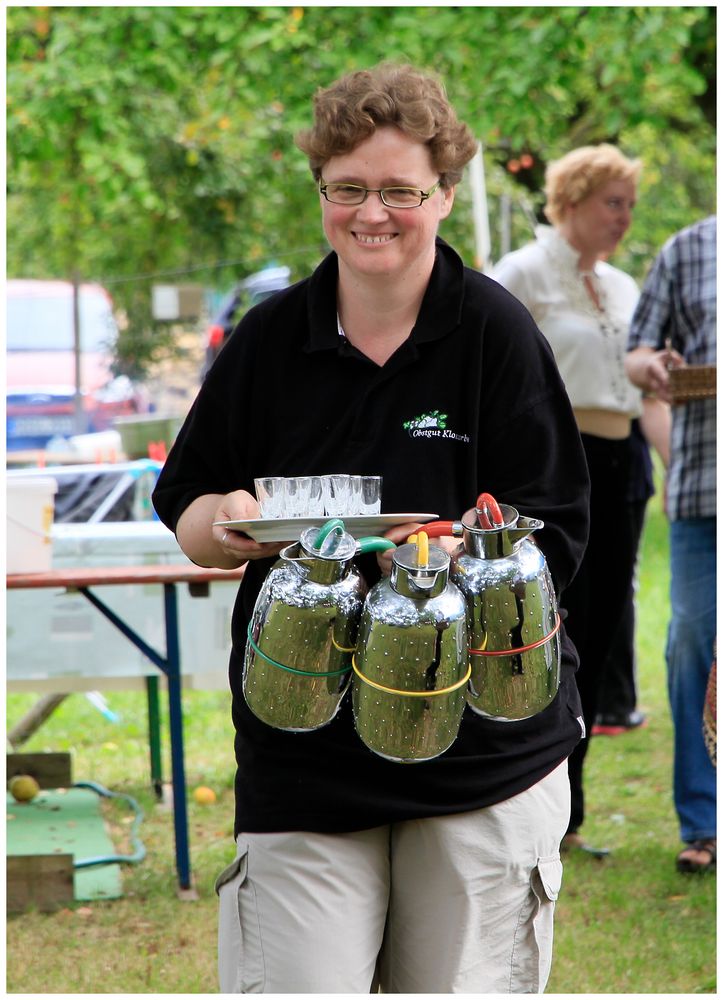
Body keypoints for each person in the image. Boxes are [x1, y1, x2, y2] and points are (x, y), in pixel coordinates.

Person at [153, 62, 590, 994]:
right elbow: (189, 501)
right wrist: (224, 523)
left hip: (482, 762)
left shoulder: (494, 333)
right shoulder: (270, 340)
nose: (372, 213)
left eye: (399, 190)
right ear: (320, 190)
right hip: (303, 756)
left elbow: (556, 530)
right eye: (346, 189)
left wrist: (462, 553)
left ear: (441, 193)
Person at [491, 144, 644, 856]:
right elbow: (487, 375)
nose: (622, 217)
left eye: (629, 204)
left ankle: (570, 813)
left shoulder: (619, 285)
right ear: (572, 201)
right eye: (611, 202)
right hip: (558, 462)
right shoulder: (521, 274)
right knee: (551, 626)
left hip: (623, 459)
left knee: (605, 625)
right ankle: (529, 801)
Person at [625, 215, 716, 875]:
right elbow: (635, 352)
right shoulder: (687, 248)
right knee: (691, 639)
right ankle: (703, 821)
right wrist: (654, 367)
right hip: (701, 495)